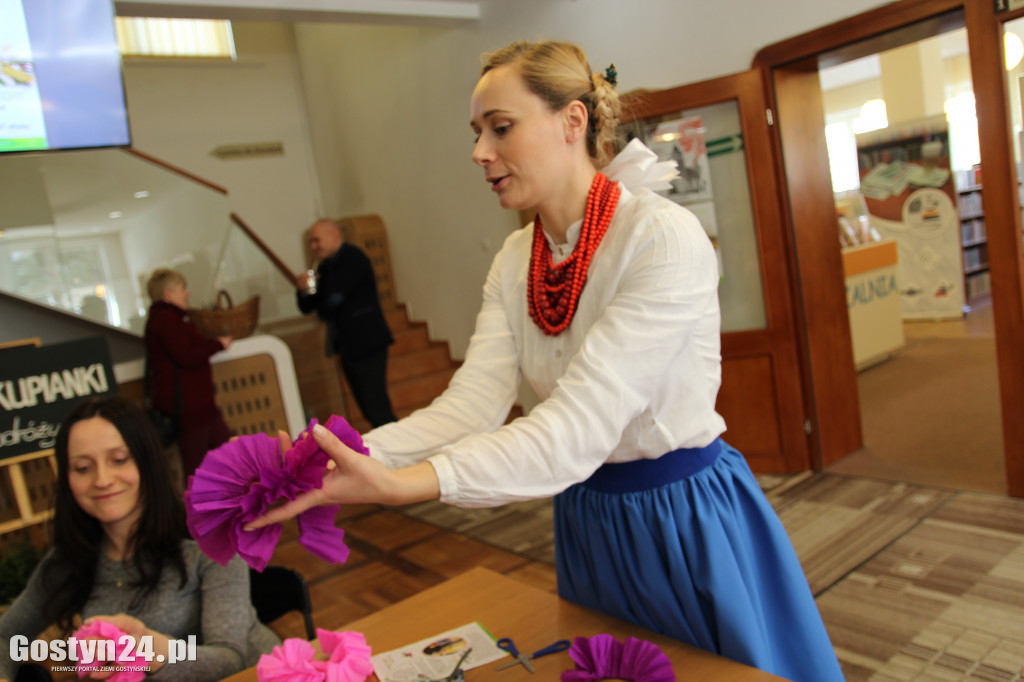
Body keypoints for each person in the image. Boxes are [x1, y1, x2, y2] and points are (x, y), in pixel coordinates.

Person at [251, 41, 845, 682]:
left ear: (573, 123)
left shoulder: (659, 237)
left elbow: (577, 426)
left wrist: (404, 484)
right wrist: (351, 457)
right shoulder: (516, 261)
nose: (480, 153)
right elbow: (472, 405)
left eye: (500, 128)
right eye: (477, 133)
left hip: (682, 518)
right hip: (586, 520)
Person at [0, 396, 279, 682]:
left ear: (147, 462)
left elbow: (230, 660)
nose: (102, 479)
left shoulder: (207, 541)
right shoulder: (69, 561)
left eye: (119, 460)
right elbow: (5, 636)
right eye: (83, 468)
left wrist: (148, 647)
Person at [296, 219, 397, 428]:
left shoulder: (354, 258)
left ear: (333, 235)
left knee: (377, 407)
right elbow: (308, 306)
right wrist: (303, 289)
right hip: (348, 346)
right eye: (311, 242)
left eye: (317, 240)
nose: (313, 247)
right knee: (367, 408)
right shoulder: (325, 266)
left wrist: (322, 305)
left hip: (368, 343)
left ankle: (399, 451)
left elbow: (334, 300)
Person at [143, 269, 232, 481]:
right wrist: (218, 345)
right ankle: (202, 512)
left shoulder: (170, 319)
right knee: (199, 470)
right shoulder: (165, 320)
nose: (187, 293)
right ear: (168, 294)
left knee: (227, 454)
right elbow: (187, 356)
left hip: (199, 408)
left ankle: (232, 507)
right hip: (190, 410)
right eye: (182, 288)